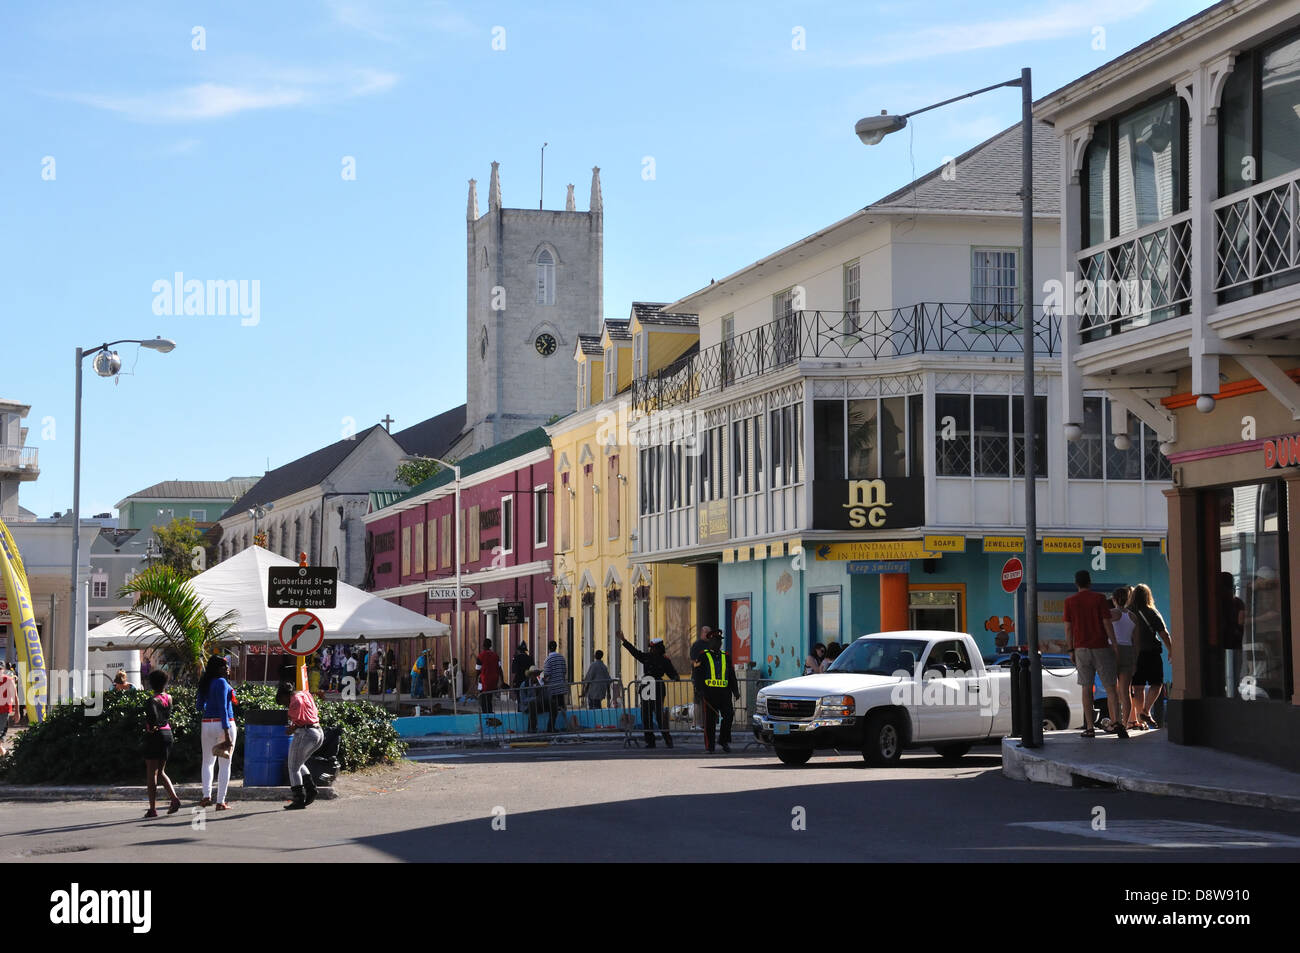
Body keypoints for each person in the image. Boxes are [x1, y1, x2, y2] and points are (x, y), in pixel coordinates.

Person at [1063, 569, 1127, 739]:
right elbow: (1107, 622)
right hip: (1101, 647)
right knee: (1110, 687)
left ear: (1076, 583)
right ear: (1090, 582)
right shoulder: (1099, 599)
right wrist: (1114, 644)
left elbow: (1068, 628)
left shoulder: (1069, 602)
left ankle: (1090, 727)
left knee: (1086, 688)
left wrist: (1070, 649)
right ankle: (1116, 722)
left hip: (1081, 649)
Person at [620, 632, 679, 748]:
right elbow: (635, 652)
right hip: (647, 686)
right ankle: (650, 741)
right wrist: (624, 640)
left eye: (653, 648)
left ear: (658, 648)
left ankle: (667, 739)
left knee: (659, 715)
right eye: (651, 648)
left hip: (657, 686)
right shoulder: (646, 657)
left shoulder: (665, 660)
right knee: (645, 716)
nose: (651, 650)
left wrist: (675, 677)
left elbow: (672, 672)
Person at [1128, 583, 1172, 729]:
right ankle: (1146, 711)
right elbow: (1164, 633)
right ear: (1148, 596)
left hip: (1135, 655)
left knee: (1138, 687)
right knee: (1157, 683)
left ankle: (1141, 715)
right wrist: (1171, 650)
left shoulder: (1128, 612)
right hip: (1152, 652)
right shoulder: (1152, 612)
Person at [197, 655, 238, 809]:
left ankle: (206, 796)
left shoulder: (204, 682)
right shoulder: (222, 682)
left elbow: (199, 706)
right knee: (225, 764)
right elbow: (223, 708)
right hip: (224, 724)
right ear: (220, 668)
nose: (228, 670)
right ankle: (220, 801)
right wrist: (226, 732)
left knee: (207, 762)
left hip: (207, 724)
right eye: (226, 667)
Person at [276, 680, 324, 810]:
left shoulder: (295, 701)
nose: (286, 705)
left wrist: (291, 729)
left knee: (292, 767)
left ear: (285, 696)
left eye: (284, 702)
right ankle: (311, 789)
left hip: (305, 733)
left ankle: (299, 799)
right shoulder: (305, 694)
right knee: (298, 763)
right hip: (318, 732)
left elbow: (298, 721)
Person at [142, 669, 181, 819]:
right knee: (161, 771)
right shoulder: (169, 698)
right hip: (167, 734)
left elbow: (152, 719)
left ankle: (152, 809)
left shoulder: (152, 700)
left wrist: (149, 728)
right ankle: (174, 798)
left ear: (151, 684)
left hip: (155, 736)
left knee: (152, 774)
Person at [695, 632, 739, 752]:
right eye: (715, 641)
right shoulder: (703, 655)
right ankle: (710, 746)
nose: (718, 643)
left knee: (729, 716)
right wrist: (699, 690)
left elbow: (731, 675)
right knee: (710, 721)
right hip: (709, 693)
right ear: (710, 642)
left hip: (724, 693)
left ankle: (723, 740)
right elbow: (697, 675)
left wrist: (736, 690)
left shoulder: (726, 656)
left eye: (720, 641)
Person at [1109, 585, 1137, 730]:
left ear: (1114, 599)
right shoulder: (1133, 616)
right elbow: (1135, 641)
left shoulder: (1110, 613)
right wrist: (1135, 661)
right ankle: (1125, 724)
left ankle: (1114, 722)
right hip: (1128, 651)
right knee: (1125, 692)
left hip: (1112, 651)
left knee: (1111, 690)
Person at [542, 640, 568, 732]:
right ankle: (567, 725)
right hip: (561, 687)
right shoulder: (561, 658)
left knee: (553, 710)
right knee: (562, 708)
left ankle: (551, 727)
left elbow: (547, 674)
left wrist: (543, 680)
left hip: (552, 689)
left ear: (548, 648)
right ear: (556, 647)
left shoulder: (548, 659)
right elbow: (564, 671)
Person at [690, 625, 712, 728]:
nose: (708, 635)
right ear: (702, 633)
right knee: (697, 701)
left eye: (709, 633)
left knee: (708, 700)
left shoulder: (712, 645)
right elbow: (693, 661)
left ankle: (705, 723)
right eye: (706, 632)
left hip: (710, 677)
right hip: (698, 677)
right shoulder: (697, 645)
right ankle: (695, 723)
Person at [477, 639, 503, 713]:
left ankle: (485, 713)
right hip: (494, 681)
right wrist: (502, 680)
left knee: (483, 698)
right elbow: (500, 668)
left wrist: (475, 679)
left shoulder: (480, 656)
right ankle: (490, 712)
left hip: (483, 680)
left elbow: (477, 670)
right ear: (490, 646)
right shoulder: (496, 656)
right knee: (489, 697)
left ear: (483, 646)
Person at [0, 662, 18, 757]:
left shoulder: (9, 680)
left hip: (4, 712)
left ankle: (6, 756)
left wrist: (17, 712)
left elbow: (15, 696)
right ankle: (5, 755)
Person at [520, 666, 542, 732]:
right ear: (530, 675)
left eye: (537, 674)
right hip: (526, 707)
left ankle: (551, 728)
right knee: (532, 704)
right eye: (534, 675)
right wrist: (534, 699)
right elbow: (523, 700)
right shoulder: (524, 685)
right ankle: (532, 728)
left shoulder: (540, 684)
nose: (536, 676)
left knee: (553, 703)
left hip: (539, 705)